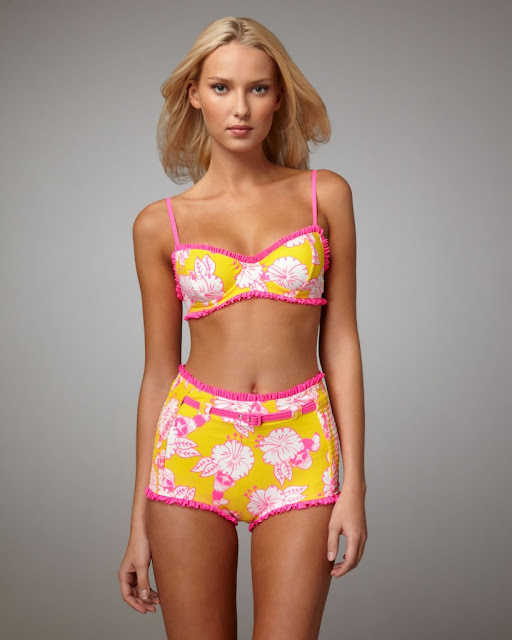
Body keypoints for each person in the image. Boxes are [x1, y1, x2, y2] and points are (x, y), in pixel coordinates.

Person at [118, 15, 367, 640]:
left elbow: (341, 342)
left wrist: (355, 486)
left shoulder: (325, 196)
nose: (240, 108)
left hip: (301, 443)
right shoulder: (159, 224)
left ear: (278, 98)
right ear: (193, 95)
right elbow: (158, 373)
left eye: (258, 88)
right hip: (192, 444)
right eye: (221, 87)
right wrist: (138, 520)